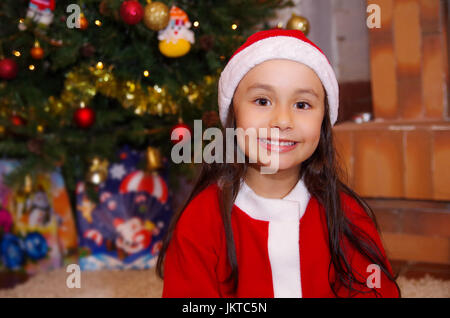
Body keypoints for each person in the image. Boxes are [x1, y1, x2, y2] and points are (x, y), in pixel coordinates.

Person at [156, 29, 401, 298]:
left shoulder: (346, 213)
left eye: (302, 104)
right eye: (262, 101)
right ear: (233, 116)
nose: (283, 121)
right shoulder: (200, 220)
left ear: (323, 123)